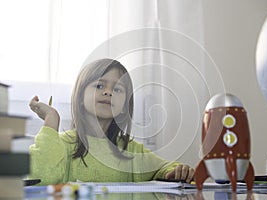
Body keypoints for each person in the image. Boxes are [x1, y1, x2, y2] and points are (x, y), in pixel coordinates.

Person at [28, 58, 194, 185]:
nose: (108, 93)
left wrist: (177, 171)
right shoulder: (62, 144)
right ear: (80, 98)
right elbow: (40, 179)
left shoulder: (130, 150)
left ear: (124, 106)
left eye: (117, 89)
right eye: (100, 86)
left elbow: (165, 168)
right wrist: (51, 119)